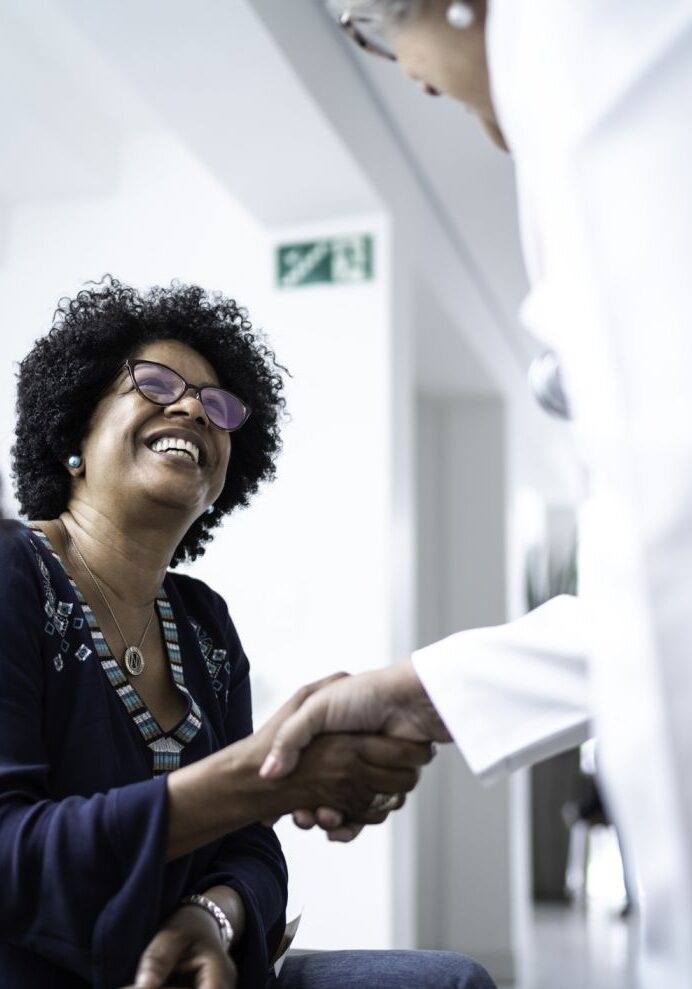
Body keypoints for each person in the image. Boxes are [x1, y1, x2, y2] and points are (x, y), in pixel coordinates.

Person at [262, 2, 692, 987]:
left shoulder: (580, 44)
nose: (403, 74)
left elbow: (671, 551)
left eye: (371, 26)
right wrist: (421, 693)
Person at [0, 276, 496, 989]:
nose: (194, 409)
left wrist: (211, 917)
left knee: (454, 981)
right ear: (74, 426)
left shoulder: (204, 622)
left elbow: (252, 850)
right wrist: (260, 778)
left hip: (206, 968)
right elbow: (12, 852)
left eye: (217, 405)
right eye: (158, 381)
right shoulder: (15, 570)